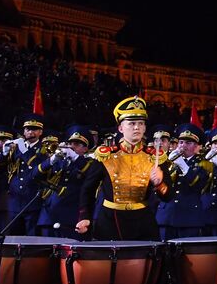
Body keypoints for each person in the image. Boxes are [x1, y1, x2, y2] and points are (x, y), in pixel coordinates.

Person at [85, 97, 164, 241]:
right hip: (110, 222)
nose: (137, 127)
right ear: (120, 128)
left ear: (145, 128)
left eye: (141, 124)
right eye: (132, 123)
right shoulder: (106, 155)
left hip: (143, 222)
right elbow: (88, 190)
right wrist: (84, 217)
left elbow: (168, 196)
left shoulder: (154, 157)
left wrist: (159, 183)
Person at [36, 125, 102, 238]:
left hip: (72, 218)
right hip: (49, 217)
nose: (71, 147)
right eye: (70, 143)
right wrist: (51, 161)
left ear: (86, 148)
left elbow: (90, 175)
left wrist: (75, 158)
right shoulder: (58, 161)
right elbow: (34, 177)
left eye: (77, 144)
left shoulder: (90, 163)